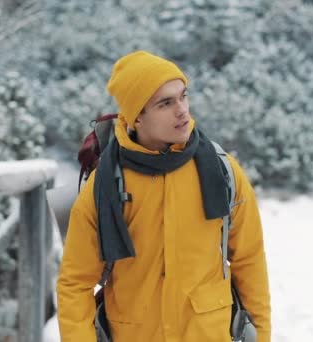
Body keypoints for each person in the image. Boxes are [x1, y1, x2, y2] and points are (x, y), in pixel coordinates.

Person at [56, 50, 271, 341]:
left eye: (183, 96)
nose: (182, 110)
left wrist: (262, 335)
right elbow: (75, 284)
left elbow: (249, 262)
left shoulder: (222, 170)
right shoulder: (104, 185)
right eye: (165, 103)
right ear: (137, 118)